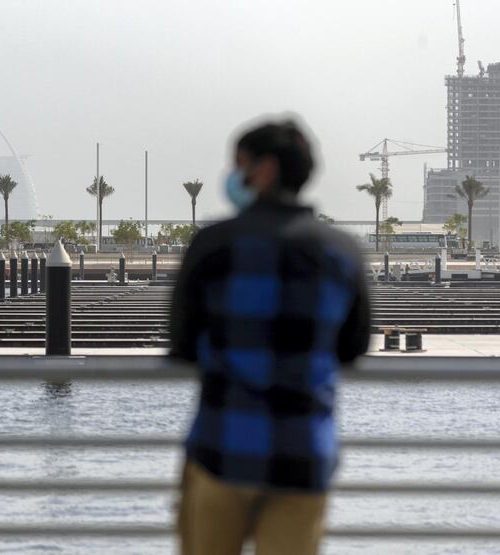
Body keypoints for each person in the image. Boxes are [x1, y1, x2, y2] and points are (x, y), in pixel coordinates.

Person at [170, 120, 371, 555]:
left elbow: (183, 344)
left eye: (239, 164)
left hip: (221, 448)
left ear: (264, 170)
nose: (234, 176)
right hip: (303, 455)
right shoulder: (342, 252)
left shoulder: (212, 246)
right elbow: (353, 348)